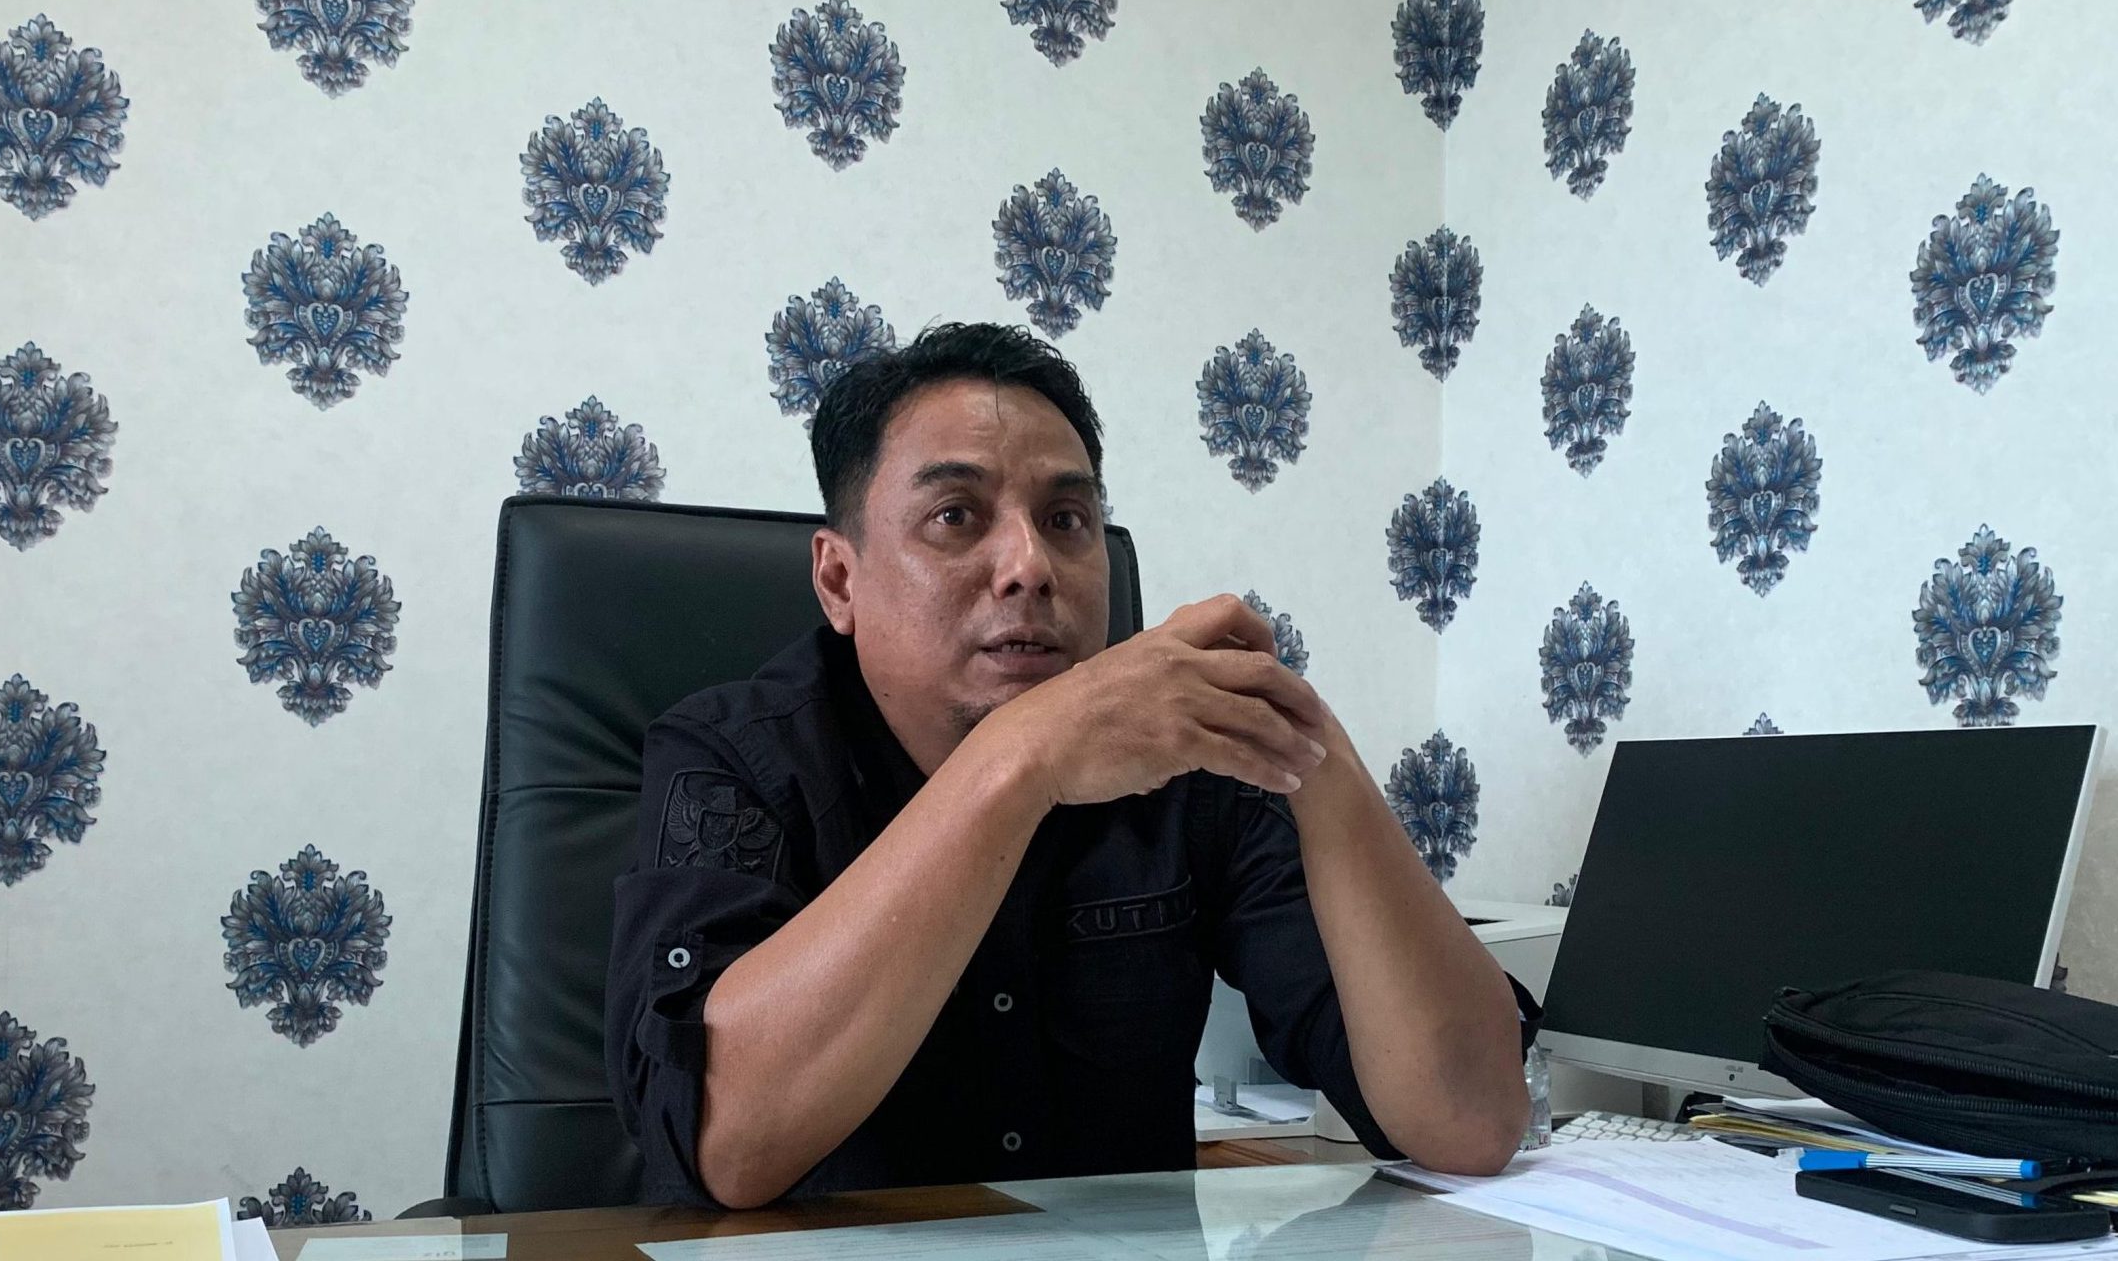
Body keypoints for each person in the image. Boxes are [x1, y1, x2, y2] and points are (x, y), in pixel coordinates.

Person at [605, 323, 1537, 1210]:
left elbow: (1469, 1121)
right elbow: (723, 1142)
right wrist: (1020, 761)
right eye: (956, 515)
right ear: (840, 580)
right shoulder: (734, 755)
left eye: (1066, 519)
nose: (1030, 565)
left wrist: (1309, 745)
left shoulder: (1191, 772)